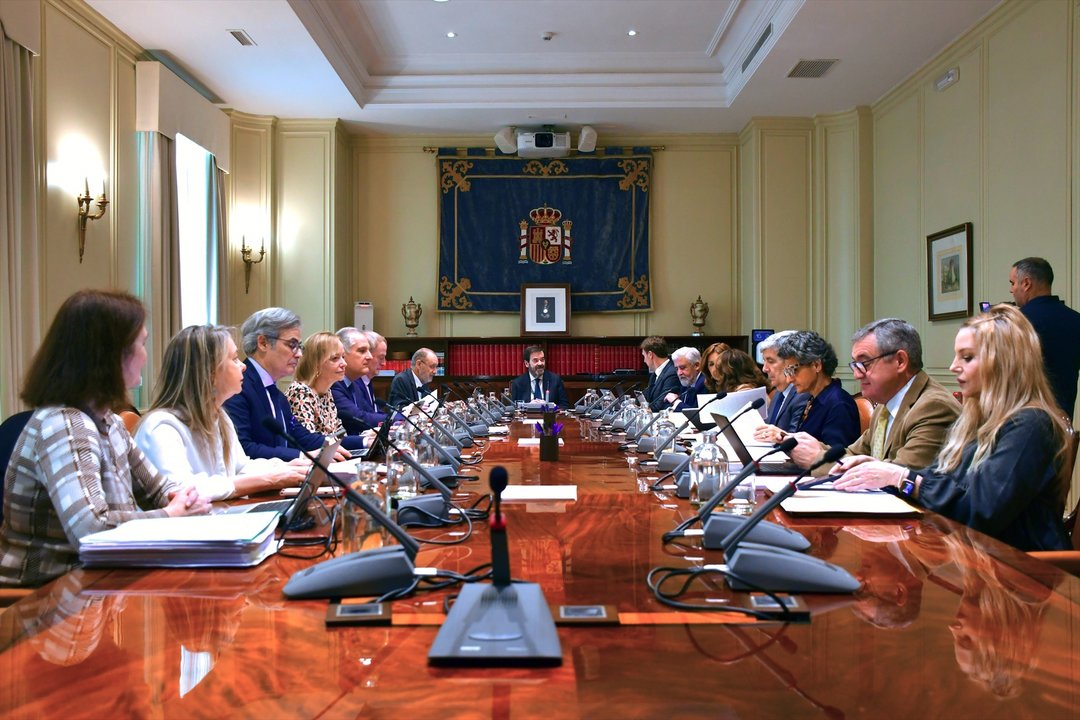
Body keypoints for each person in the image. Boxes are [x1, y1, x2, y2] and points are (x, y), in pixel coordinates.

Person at [0, 290, 208, 587]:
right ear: (112, 355)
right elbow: (90, 529)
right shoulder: (65, 424)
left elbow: (158, 490)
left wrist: (183, 499)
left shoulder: (108, 421)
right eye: (142, 344)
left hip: (92, 581)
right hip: (44, 597)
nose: (146, 356)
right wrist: (171, 514)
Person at [832, 305, 1071, 552]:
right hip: (976, 559)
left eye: (967, 357)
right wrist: (886, 472)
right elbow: (938, 478)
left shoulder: (1030, 424)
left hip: (1025, 573)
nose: (953, 366)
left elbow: (980, 510)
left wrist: (902, 478)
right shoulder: (977, 423)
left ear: (1003, 363)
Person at [135, 325, 309, 502]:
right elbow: (181, 491)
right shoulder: (162, 427)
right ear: (208, 372)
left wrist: (287, 467)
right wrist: (268, 480)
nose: (243, 366)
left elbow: (240, 467)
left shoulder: (220, 417)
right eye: (234, 359)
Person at [787, 318, 960, 471]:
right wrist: (811, 447)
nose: (856, 374)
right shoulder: (885, 405)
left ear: (900, 361)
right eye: (855, 365)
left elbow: (898, 475)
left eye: (864, 363)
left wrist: (816, 458)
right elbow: (852, 453)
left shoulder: (933, 407)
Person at [222, 308, 350, 462]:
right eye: (292, 345)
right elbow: (244, 448)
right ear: (263, 343)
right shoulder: (238, 387)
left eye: (299, 346)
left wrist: (364, 442)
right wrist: (302, 456)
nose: (299, 354)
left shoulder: (276, 394)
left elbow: (303, 438)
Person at [758, 331, 860, 449]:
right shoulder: (813, 398)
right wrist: (782, 437)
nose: (789, 379)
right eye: (787, 372)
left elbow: (837, 457)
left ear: (816, 365)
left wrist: (785, 438)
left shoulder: (839, 404)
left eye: (793, 370)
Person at [1009, 257, 1080, 420]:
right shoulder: (1076, 319)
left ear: (1026, 283)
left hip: (1022, 421)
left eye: (1012, 283)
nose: (1011, 290)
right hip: (1063, 420)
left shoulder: (1017, 322)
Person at [285, 331, 370, 452]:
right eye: (335, 358)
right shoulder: (300, 392)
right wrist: (364, 441)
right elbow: (310, 442)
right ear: (316, 364)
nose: (344, 364)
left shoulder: (326, 392)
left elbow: (339, 437)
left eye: (343, 357)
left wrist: (366, 438)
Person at [753, 331, 809, 437]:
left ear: (789, 362)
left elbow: (794, 441)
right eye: (764, 361)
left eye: (771, 361)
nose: (765, 369)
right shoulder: (779, 392)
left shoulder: (802, 394)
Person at [331, 327, 383, 433]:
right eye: (362, 351)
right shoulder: (333, 384)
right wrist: (399, 419)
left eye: (369, 351)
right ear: (342, 354)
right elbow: (360, 418)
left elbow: (370, 413)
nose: (369, 357)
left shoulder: (354, 382)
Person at [704, 344, 771, 395]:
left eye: (720, 366)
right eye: (711, 364)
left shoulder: (745, 391)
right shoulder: (715, 388)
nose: (716, 369)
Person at [640, 336, 681, 411]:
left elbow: (661, 405)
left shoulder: (672, 373)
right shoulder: (654, 374)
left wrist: (642, 410)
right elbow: (647, 398)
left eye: (644, 356)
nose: (644, 361)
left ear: (650, 355)